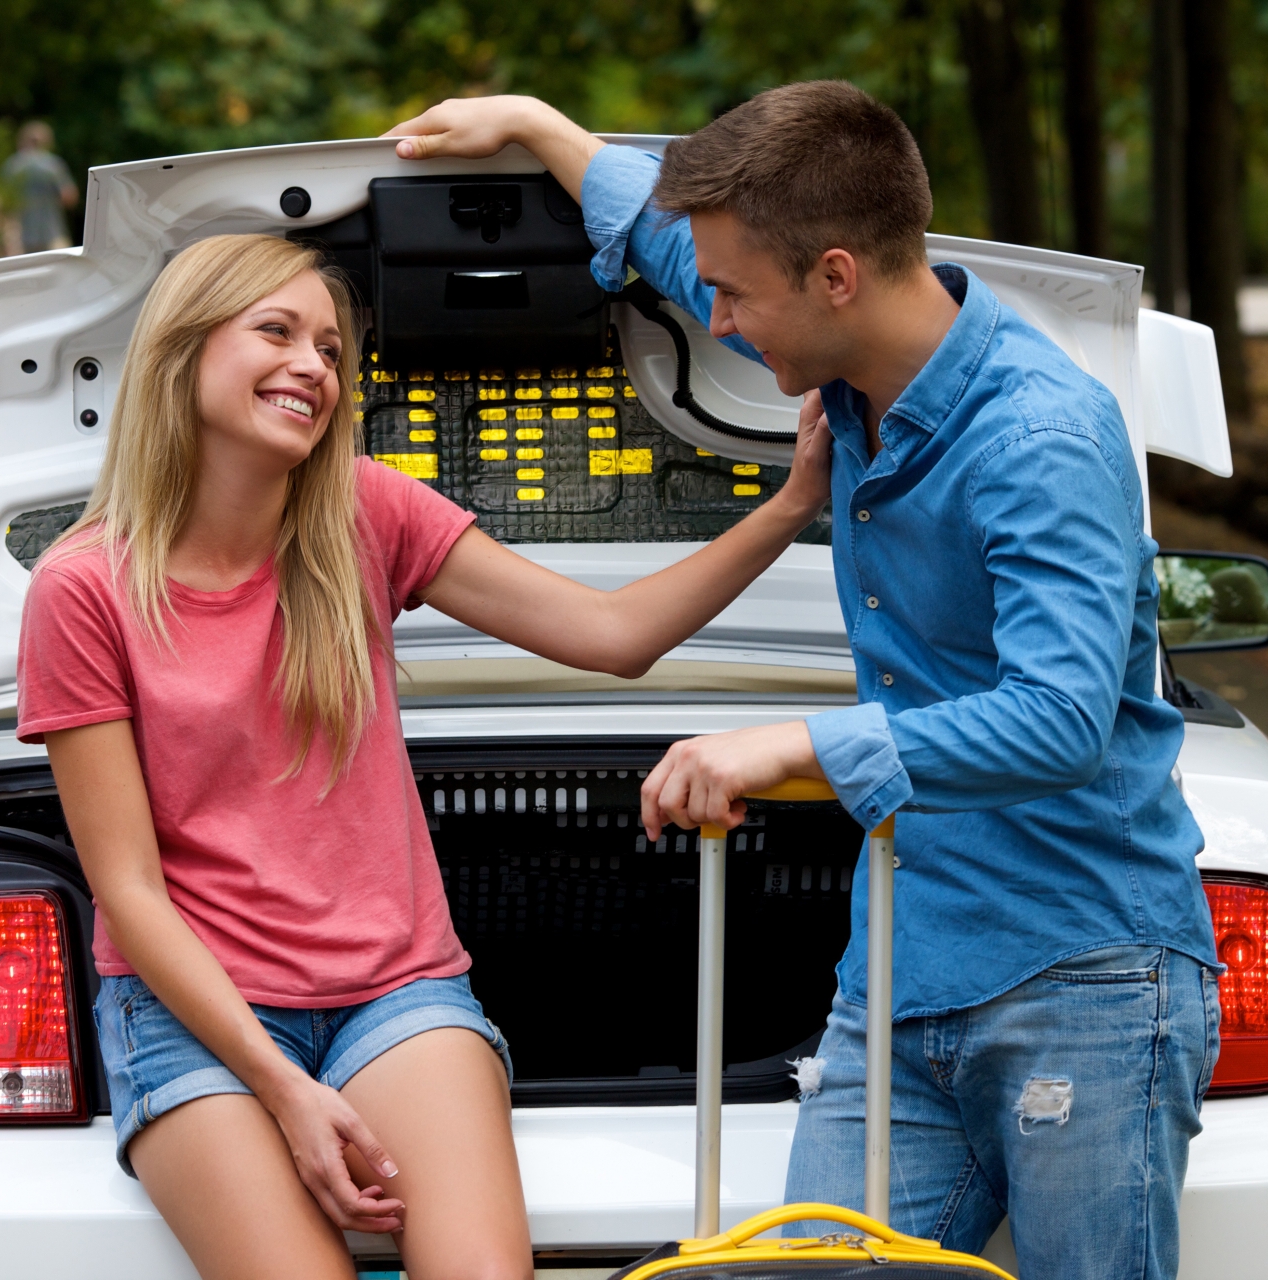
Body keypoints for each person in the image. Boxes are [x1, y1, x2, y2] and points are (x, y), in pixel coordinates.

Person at [387, 85, 1220, 1280]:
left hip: (1081, 976)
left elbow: (1062, 718)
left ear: (836, 276)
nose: (712, 317)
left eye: (734, 294)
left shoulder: (1041, 439)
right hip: (901, 971)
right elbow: (672, 239)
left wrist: (795, 746)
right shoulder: (833, 338)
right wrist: (539, 127)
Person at [16, 233, 833, 1280]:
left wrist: (792, 505)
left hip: (392, 989)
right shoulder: (83, 590)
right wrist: (286, 1091)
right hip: (195, 1011)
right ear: (181, 350)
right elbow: (126, 891)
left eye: (329, 348)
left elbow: (614, 635)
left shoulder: (364, 511)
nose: (313, 365)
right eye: (277, 331)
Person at [1, 121, 78, 253]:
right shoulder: (52, 164)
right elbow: (69, 197)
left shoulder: (12, 166)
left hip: (19, 238)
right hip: (52, 233)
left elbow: (2, 204)